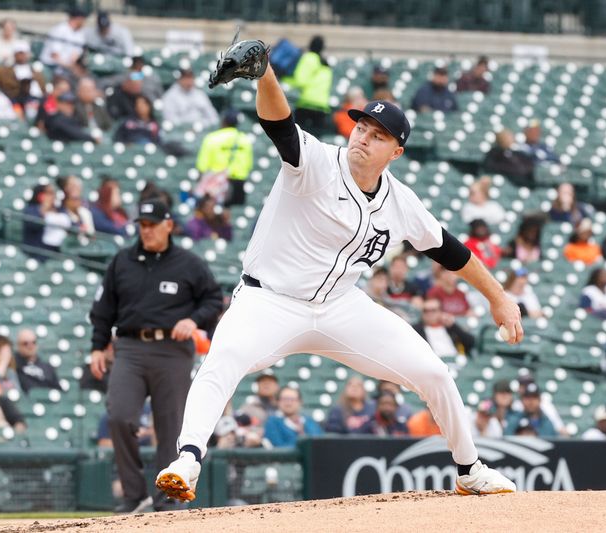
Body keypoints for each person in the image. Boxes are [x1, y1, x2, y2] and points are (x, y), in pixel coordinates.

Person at [156, 59, 521, 503]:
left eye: (378, 135)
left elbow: (452, 251)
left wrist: (498, 297)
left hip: (340, 306)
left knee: (434, 372)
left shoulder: (400, 201)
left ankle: (470, 469)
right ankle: (188, 459)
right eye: (361, 128)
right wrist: (266, 73)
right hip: (269, 300)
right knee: (224, 357)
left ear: (396, 153)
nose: (364, 138)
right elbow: (280, 124)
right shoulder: (316, 162)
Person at [88, 198, 223, 513]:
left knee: (170, 427)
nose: (145, 231)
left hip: (172, 351)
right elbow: (102, 310)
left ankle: (168, 501)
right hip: (130, 348)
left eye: (151, 225)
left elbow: (213, 299)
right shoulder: (122, 261)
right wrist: (97, 345)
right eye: (141, 225)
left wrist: (194, 320)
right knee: (119, 416)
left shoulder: (189, 263)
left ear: (169, 225)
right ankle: (133, 496)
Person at [194, 110, 254, 207]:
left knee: (214, 212)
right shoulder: (245, 139)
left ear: (223, 122)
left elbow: (202, 165)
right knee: (234, 212)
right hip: (238, 182)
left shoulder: (212, 138)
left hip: (216, 183)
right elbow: (249, 165)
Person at [285, 35, 332, 133]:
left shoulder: (309, 58)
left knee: (300, 139)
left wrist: (285, 79)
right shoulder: (325, 63)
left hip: (306, 104)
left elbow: (300, 81)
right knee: (316, 141)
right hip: (322, 107)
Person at [0, 40, 46, 116]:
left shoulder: (35, 72)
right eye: (19, 53)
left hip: (36, 101)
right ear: (15, 54)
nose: (22, 56)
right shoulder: (5, 71)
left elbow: (43, 89)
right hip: (17, 101)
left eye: (24, 53)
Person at [14, 329, 61, 393]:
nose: (30, 346)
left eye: (33, 342)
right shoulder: (13, 366)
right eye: (25, 343)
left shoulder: (47, 368)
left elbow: (58, 391)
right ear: (18, 346)